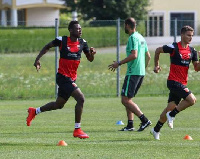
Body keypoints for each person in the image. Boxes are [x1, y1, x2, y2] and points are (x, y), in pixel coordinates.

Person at [26, 20, 96, 139]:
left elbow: (90, 59)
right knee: (81, 98)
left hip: (71, 79)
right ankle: (77, 129)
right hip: (63, 77)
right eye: (77, 29)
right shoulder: (62, 40)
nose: (80, 30)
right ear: (71, 30)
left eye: (80, 28)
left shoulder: (83, 43)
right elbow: (47, 46)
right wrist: (37, 59)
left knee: (59, 104)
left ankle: (35, 111)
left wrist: (92, 54)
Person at [151, 25, 200, 140]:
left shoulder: (192, 51)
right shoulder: (173, 47)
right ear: (182, 35)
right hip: (173, 82)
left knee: (170, 107)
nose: (190, 38)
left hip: (182, 83)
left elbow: (197, 68)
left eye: (192, 36)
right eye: (188, 35)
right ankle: (172, 115)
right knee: (192, 100)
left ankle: (156, 129)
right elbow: (158, 50)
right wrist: (156, 65)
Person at [108, 17, 151, 132]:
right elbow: (148, 56)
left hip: (133, 72)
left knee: (125, 100)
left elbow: (134, 55)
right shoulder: (141, 37)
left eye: (124, 25)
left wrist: (119, 63)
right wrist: (143, 68)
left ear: (127, 25)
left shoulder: (132, 38)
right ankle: (130, 125)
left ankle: (144, 120)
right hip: (140, 72)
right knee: (128, 99)